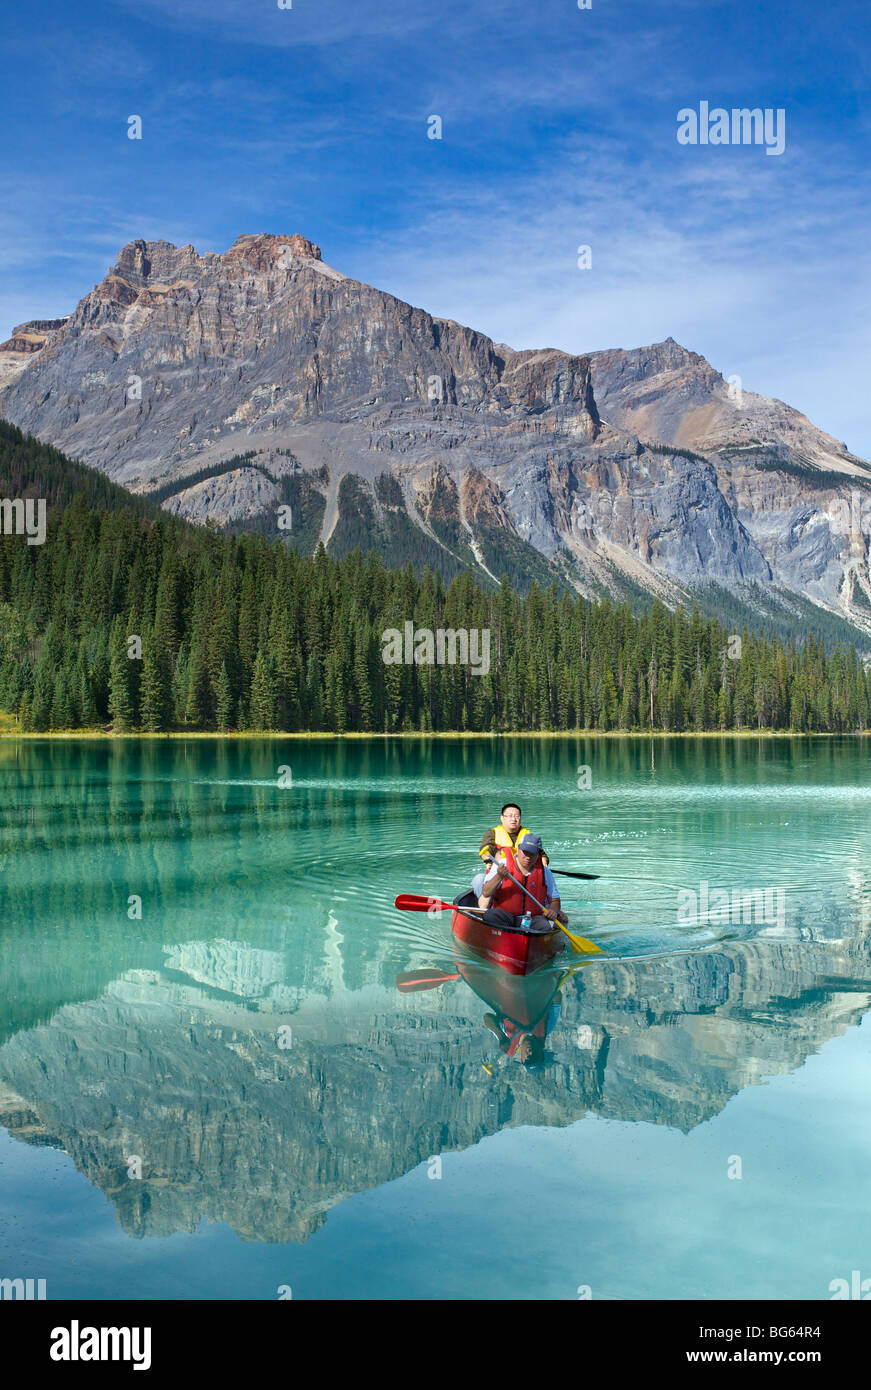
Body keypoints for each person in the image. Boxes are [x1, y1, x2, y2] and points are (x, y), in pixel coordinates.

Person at [471, 833, 566, 932]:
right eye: (525, 852)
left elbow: (555, 901)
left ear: (538, 854)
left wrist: (553, 911)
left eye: (532, 853)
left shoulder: (545, 872)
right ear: (518, 849)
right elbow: (486, 892)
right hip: (505, 915)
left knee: (546, 927)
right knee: (490, 916)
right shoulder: (502, 865)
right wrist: (499, 876)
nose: (528, 857)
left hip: (533, 918)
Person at [478, 803, 549, 866]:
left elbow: (541, 854)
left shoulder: (527, 835)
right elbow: (485, 850)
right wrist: (488, 861)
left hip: (523, 870)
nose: (513, 819)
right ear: (502, 818)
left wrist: (544, 863)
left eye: (517, 816)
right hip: (501, 870)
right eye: (509, 816)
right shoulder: (493, 833)